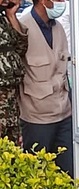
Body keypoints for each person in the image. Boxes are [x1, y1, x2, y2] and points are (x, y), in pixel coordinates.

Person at [19, 0, 73, 177]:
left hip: (64, 114)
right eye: (58, 0)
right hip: (36, 118)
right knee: (37, 176)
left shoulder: (58, 28)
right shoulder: (22, 27)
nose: (62, 3)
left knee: (67, 176)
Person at [0, 0, 27, 143]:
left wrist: (11, 16)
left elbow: (21, 48)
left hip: (10, 95)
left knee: (12, 142)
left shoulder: (4, 20)